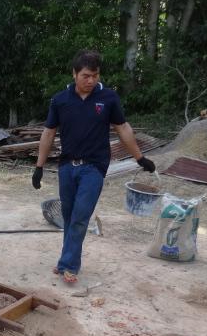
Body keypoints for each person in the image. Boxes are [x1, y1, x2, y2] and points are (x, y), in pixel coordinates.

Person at [32, 49, 155, 284]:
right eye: (86, 76)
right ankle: (66, 260)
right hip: (67, 167)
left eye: (95, 75)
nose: (91, 80)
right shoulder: (60, 100)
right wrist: (39, 167)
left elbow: (123, 128)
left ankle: (69, 265)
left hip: (94, 167)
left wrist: (140, 158)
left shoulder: (108, 98)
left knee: (80, 215)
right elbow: (48, 133)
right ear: (74, 74)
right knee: (69, 215)